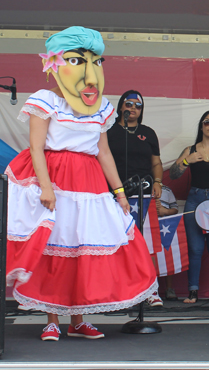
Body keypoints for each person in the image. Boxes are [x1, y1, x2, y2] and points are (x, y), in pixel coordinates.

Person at [5, 26, 157, 341]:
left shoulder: (99, 107)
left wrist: (118, 192)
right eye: (76, 61)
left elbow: (103, 152)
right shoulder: (46, 100)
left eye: (93, 61)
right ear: (57, 66)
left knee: (83, 250)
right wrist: (46, 187)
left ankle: (78, 319)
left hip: (90, 183)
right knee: (55, 248)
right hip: (57, 178)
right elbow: (36, 147)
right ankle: (51, 320)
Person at [107, 89, 164, 307]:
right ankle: (118, 293)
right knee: (117, 245)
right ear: (121, 107)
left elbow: (156, 162)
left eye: (137, 106)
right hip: (115, 196)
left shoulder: (148, 133)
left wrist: (158, 182)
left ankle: (150, 291)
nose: (132, 109)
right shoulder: (109, 132)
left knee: (145, 244)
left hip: (144, 194)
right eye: (128, 104)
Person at [169, 110, 209, 304]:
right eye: (207, 122)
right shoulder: (190, 149)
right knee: (195, 249)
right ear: (201, 126)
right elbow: (173, 174)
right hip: (195, 200)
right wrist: (187, 161)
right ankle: (192, 292)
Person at [156, 184, 179, 300]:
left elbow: (175, 209)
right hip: (148, 227)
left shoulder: (167, 190)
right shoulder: (141, 188)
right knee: (149, 259)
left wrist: (164, 211)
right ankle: (150, 289)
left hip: (165, 228)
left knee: (167, 256)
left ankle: (169, 288)